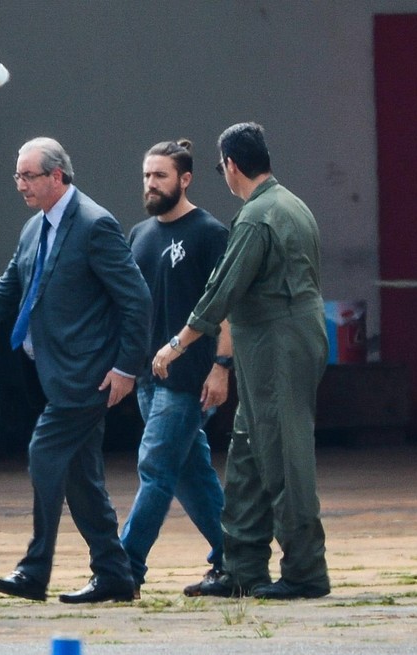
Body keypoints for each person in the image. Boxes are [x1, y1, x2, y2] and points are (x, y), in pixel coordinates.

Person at [0, 137, 152, 604]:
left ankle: (35, 570)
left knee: (44, 452)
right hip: (55, 372)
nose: (20, 185)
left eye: (28, 176)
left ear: (57, 176)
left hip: (89, 375)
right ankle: (114, 574)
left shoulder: (95, 224)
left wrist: (126, 367)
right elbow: (6, 289)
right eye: (17, 176)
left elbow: (136, 299)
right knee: (81, 477)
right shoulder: (34, 228)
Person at [153, 122, 330, 600]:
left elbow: (222, 291)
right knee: (249, 454)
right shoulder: (291, 205)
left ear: (231, 165)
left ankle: (305, 572)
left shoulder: (256, 217)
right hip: (279, 345)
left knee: (284, 456)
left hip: (277, 347)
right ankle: (242, 567)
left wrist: (177, 344)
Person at [121, 139, 231, 595]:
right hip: (149, 378)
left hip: (190, 379)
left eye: (160, 175)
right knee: (191, 475)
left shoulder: (209, 233)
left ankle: (123, 569)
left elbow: (227, 307)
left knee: (155, 468)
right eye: (147, 175)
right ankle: (235, 560)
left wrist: (222, 365)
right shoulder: (139, 235)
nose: (151, 183)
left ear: (185, 179)